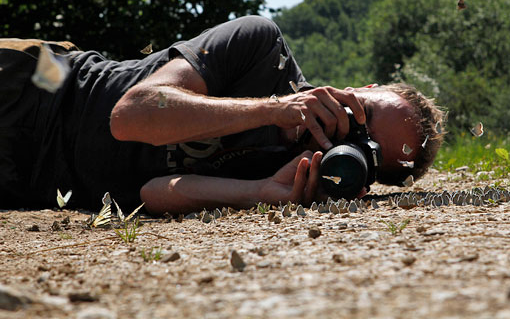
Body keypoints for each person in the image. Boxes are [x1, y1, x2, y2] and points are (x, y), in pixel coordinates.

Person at [0, 16, 444, 215]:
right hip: (40, 88)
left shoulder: (293, 178)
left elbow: (155, 192)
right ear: (362, 89)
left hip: (26, 179)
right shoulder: (261, 49)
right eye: (361, 111)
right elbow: (129, 115)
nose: (347, 127)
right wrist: (275, 110)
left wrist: (262, 192)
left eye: (363, 144)